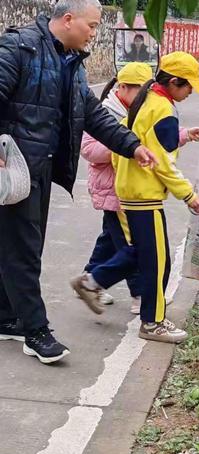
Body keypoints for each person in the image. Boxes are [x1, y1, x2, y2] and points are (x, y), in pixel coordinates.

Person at [0, 0, 158, 364]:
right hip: (13, 168)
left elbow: (93, 115)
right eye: (91, 25)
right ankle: (34, 330)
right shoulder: (20, 48)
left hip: (35, 170)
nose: (94, 32)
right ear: (67, 19)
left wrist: (132, 146)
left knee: (21, 245)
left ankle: (8, 316)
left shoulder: (70, 62)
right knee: (23, 249)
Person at [72, 52, 199, 344]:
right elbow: (164, 161)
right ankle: (153, 321)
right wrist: (189, 195)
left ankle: (92, 281)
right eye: (189, 87)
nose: (191, 92)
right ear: (174, 82)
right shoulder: (162, 109)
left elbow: (143, 144)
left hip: (131, 189)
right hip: (143, 193)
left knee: (144, 254)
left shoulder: (147, 102)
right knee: (157, 261)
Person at [78, 62, 153, 315]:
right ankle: (140, 293)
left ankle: (89, 279)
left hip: (126, 189)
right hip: (112, 188)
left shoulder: (139, 111)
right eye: (140, 92)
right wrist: (123, 144)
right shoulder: (103, 112)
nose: (144, 98)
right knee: (130, 244)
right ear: (122, 87)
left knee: (110, 239)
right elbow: (89, 151)